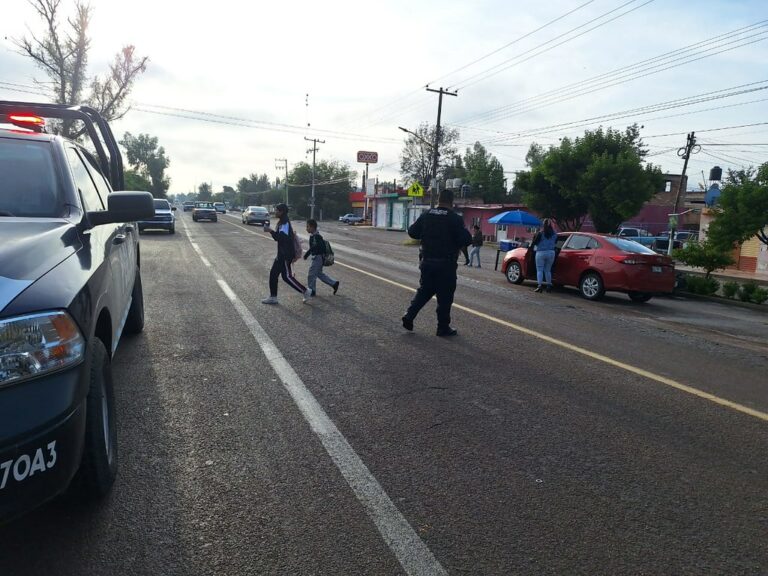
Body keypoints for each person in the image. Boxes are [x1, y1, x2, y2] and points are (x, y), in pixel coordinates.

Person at [401, 188, 472, 337]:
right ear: (451, 202)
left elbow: (412, 231)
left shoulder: (426, 214)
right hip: (446, 265)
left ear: (439, 199)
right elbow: (466, 239)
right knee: (445, 296)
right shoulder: (454, 218)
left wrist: (427, 234)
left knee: (425, 290)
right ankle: (442, 327)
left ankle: (409, 315)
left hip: (427, 261)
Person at [261, 203, 310, 304]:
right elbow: (278, 238)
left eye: (277, 210)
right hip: (282, 254)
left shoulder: (285, 223)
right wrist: (271, 231)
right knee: (274, 274)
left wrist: (270, 230)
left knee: (287, 277)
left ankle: (305, 291)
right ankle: (273, 297)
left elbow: (281, 238)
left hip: (285, 255)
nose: (275, 212)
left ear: (282, 212)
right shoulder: (282, 222)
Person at [303, 218, 340, 296]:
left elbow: (320, 247)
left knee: (311, 274)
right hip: (317, 257)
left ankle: (312, 291)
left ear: (312, 227)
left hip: (318, 258)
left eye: (308, 227)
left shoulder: (317, 236)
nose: (306, 228)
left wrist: (308, 253)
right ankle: (334, 283)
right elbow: (314, 247)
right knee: (319, 274)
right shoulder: (313, 236)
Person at [531, 218, 557, 293]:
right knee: (548, 270)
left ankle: (539, 286)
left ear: (543, 224)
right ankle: (549, 286)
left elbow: (535, 242)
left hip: (541, 252)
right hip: (551, 252)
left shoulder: (540, 233)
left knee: (539, 270)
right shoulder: (554, 233)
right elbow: (555, 242)